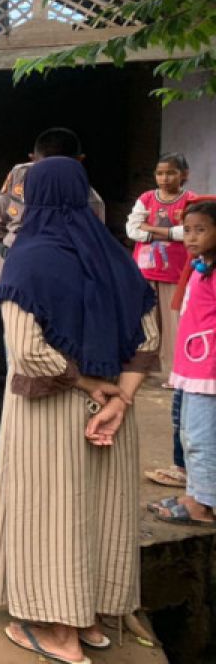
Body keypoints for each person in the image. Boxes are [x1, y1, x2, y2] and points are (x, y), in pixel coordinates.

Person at [0, 157, 158, 664]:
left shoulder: (27, 259)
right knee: (97, 512)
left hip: (51, 414)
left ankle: (57, 633)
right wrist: (119, 398)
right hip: (111, 417)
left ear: (35, 197)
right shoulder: (115, 257)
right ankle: (90, 621)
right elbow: (148, 338)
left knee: (49, 514)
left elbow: (28, 351)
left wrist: (86, 382)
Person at [0, 127, 105, 455]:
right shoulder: (17, 179)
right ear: (31, 161)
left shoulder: (89, 201)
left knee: (36, 364)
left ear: (79, 163)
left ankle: (28, 443)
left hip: (47, 298)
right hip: (0, 287)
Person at [126, 153, 195, 489]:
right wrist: (165, 232)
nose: (164, 178)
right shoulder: (146, 199)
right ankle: (144, 367)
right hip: (145, 268)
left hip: (176, 271)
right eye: (160, 172)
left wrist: (153, 230)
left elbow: (188, 233)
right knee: (144, 325)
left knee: (175, 324)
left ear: (184, 175)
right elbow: (131, 229)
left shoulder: (192, 201)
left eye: (171, 173)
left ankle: (173, 372)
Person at [147, 201, 216, 527]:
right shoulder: (202, 268)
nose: (191, 237)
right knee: (189, 435)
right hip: (192, 368)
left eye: (200, 230)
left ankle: (202, 505)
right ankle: (195, 493)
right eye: (187, 230)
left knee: (202, 440)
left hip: (209, 372)